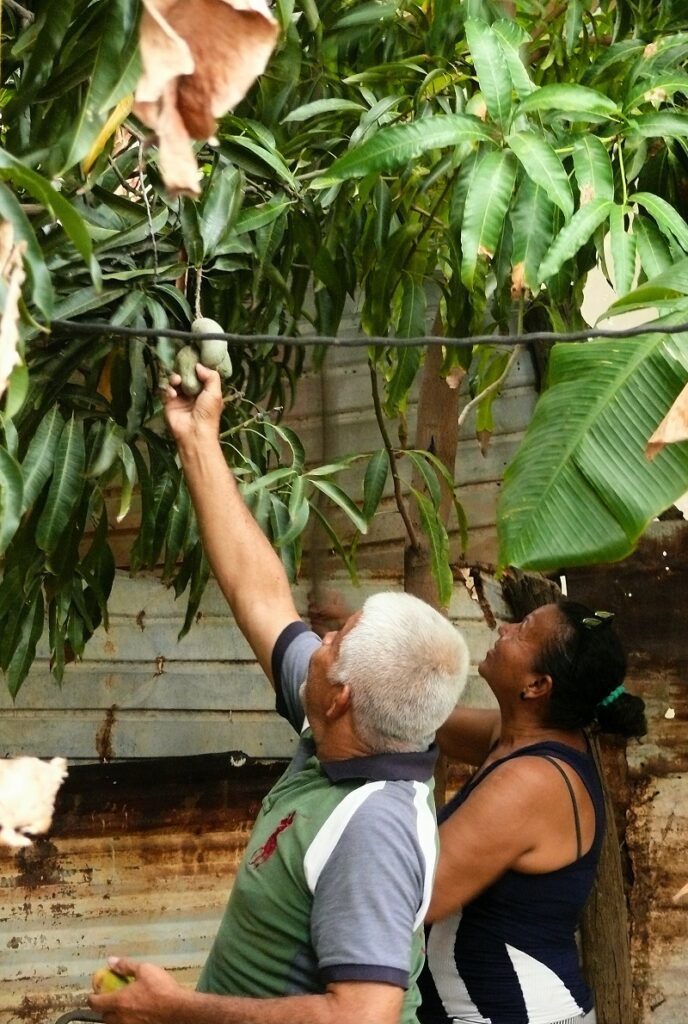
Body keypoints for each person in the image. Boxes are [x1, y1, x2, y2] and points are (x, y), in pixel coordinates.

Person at [89, 362, 470, 1024]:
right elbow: (257, 592)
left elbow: (361, 1017)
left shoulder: (375, 828)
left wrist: (173, 1009)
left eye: (335, 637)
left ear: (343, 695)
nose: (315, 639)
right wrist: (198, 438)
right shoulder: (355, 723)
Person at [418, 600, 647, 1024]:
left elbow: (413, 898)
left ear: (537, 685)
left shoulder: (531, 782)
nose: (503, 630)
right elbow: (423, 722)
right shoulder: (514, 740)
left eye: (522, 630)